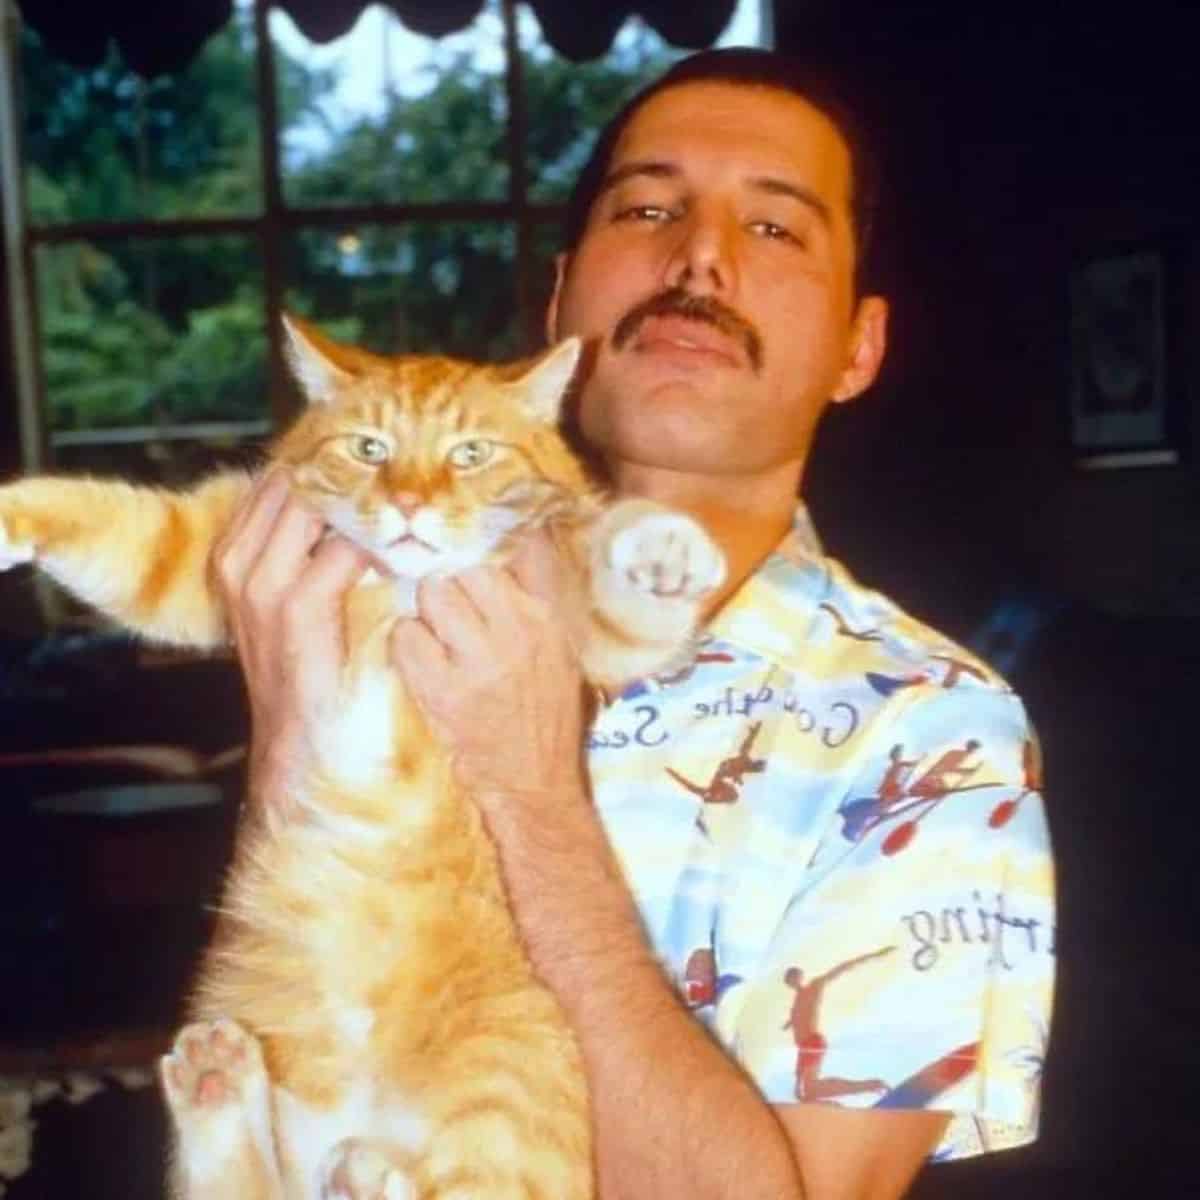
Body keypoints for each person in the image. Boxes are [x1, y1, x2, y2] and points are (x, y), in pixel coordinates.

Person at [212, 48, 1055, 1200]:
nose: (698, 254)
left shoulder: (938, 736)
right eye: (648, 208)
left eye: (774, 230)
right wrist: (289, 764)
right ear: (561, 303)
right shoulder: (362, 589)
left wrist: (526, 795)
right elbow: (263, 1103)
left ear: (858, 349)